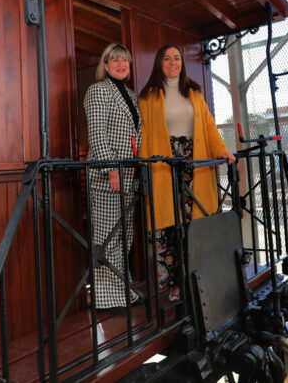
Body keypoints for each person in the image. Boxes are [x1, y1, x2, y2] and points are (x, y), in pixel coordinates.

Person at [139, 44, 235, 300]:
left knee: (196, 224)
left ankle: (199, 281)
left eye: (177, 58)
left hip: (194, 163)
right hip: (163, 166)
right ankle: (176, 286)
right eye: (167, 58)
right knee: (168, 228)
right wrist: (142, 169)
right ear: (159, 63)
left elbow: (209, 126)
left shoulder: (194, 92)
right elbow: (144, 136)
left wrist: (222, 150)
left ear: (182, 63)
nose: (173, 62)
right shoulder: (148, 97)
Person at [84, 43, 142, 313]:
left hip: (129, 176)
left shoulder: (130, 95)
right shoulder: (97, 90)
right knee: (107, 238)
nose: (121, 64)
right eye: (115, 60)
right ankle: (106, 300)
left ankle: (123, 292)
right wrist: (111, 169)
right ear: (105, 65)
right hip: (107, 177)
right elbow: (97, 133)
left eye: (125, 60)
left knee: (123, 238)